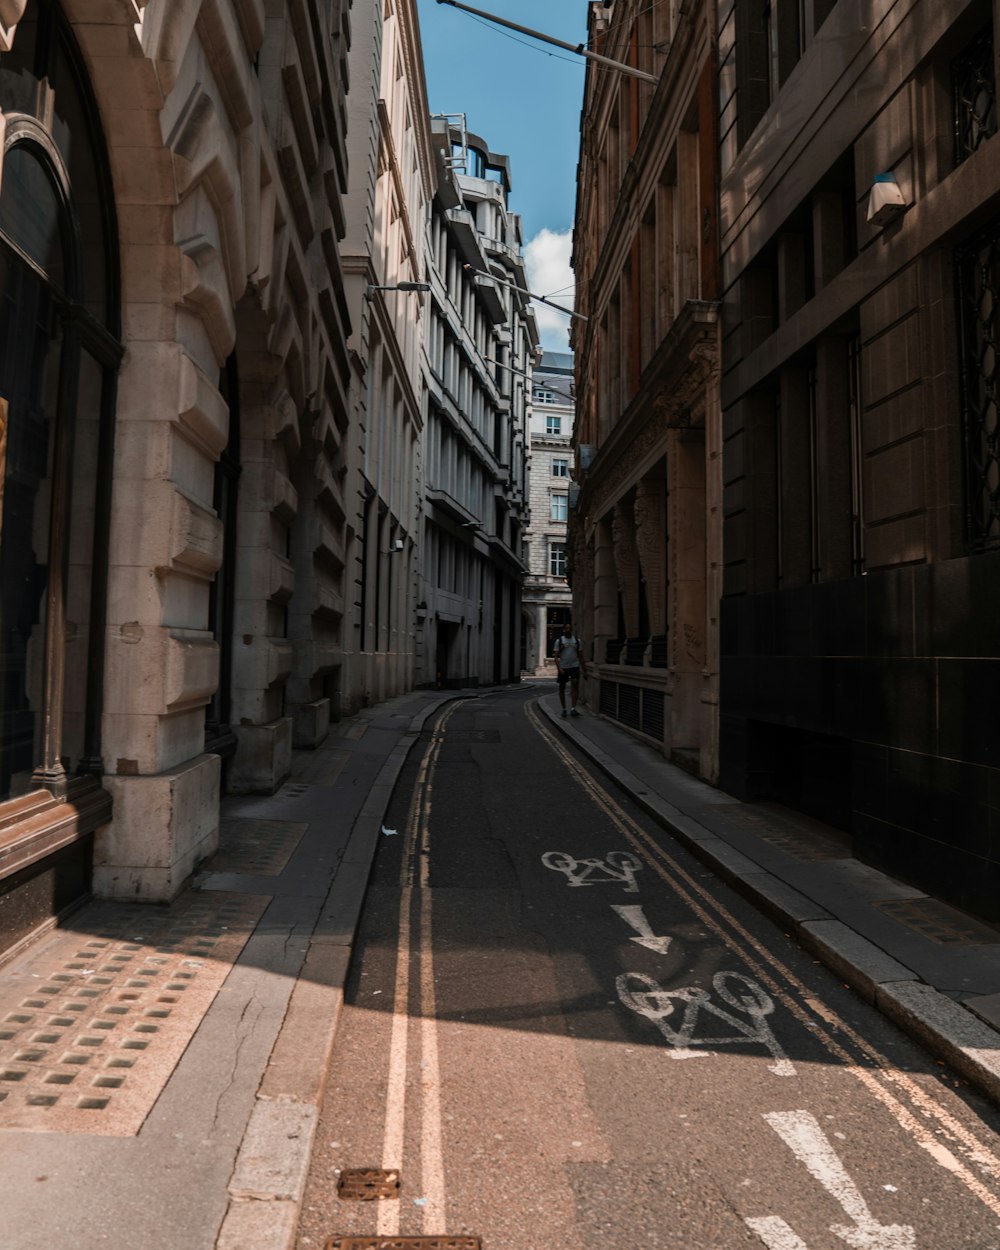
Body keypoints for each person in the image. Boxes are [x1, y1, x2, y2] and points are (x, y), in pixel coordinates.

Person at [553, 622, 586, 718]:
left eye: (570, 628)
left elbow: (581, 656)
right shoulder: (559, 641)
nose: (568, 630)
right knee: (562, 688)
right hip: (563, 667)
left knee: (575, 684)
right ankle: (564, 709)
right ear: (563, 630)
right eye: (566, 628)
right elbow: (555, 657)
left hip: (574, 666)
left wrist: (585, 670)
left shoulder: (577, 641)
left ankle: (573, 708)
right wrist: (559, 668)